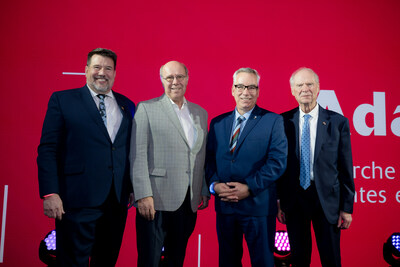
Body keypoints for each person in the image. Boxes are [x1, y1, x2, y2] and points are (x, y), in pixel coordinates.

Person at [37, 48, 135, 266]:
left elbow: (128, 150)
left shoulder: (126, 105)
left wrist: (130, 187)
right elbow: (48, 148)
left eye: (108, 68)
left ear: (115, 73)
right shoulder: (63, 100)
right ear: (86, 70)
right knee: (73, 261)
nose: (102, 72)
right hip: (75, 201)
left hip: (116, 202)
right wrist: (50, 193)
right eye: (97, 67)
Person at [130, 61, 209, 267]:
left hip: (187, 201)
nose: (175, 82)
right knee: (150, 260)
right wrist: (143, 194)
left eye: (180, 77)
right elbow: (137, 155)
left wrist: (201, 188)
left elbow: (200, 155)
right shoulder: (146, 108)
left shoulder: (200, 113)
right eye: (169, 77)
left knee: (177, 259)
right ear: (161, 80)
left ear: (187, 78)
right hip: (156, 200)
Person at [206, 67, 288, 266]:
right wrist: (214, 185)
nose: (246, 92)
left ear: (258, 91)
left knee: (262, 262)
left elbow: (277, 163)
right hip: (226, 208)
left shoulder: (273, 121)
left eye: (252, 87)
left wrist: (249, 187)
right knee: (228, 261)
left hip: (257, 208)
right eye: (240, 86)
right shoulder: (218, 123)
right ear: (232, 90)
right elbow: (208, 160)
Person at [277, 67, 355, 267]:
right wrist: (279, 201)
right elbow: (278, 165)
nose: (305, 89)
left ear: (318, 88)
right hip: (294, 200)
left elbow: (346, 167)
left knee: (331, 260)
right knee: (299, 259)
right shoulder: (281, 122)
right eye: (300, 85)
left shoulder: (337, 122)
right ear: (292, 90)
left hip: (327, 201)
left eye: (310, 84)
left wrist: (347, 208)